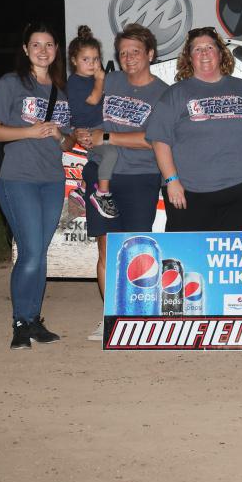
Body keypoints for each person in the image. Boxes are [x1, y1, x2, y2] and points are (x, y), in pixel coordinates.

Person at [0, 21, 73, 350]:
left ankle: (34, 319)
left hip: (51, 180)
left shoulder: (60, 91)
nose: (43, 50)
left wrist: (60, 135)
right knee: (31, 252)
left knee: (39, 253)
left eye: (49, 45)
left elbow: (67, 141)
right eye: (36, 44)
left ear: (56, 50)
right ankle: (20, 321)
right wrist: (28, 132)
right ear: (25, 49)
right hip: (16, 177)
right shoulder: (10, 84)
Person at [73, 23, 169, 341]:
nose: (128, 58)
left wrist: (107, 135)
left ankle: (137, 319)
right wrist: (83, 132)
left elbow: (153, 139)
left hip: (141, 177)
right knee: (107, 248)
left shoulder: (163, 92)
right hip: (104, 176)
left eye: (135, 52)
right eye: (123, 52)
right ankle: (112, 317)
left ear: (150, 54)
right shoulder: (110, 80)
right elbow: (86, 110)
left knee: (136, 249)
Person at [146, 27, 242, 231]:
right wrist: (172, 181)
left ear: (220, 53)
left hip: (238, 189)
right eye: (197, 49)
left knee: (226, 259)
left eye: (209, 47)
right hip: (188, 192)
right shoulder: (175, 94)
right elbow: (159, 140)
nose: (204, 53)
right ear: (189, 58)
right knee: (187, 258)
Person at [66, 26, 119, 219]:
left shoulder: (93, 78)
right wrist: (100, 79)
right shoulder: (76, 81)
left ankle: (83, 189)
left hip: (99, 127)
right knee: (111, 153)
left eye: (96, 59)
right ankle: (102, 194)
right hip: (89, 130)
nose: (92, 63)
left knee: (100, 158)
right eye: (85, 59)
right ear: (74, 61)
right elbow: (94, 100)